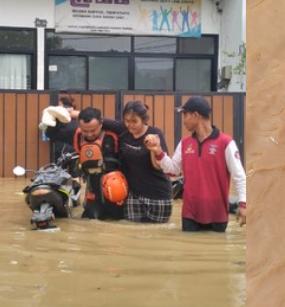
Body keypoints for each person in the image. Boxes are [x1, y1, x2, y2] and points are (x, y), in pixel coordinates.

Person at [145, 96, 246, 232]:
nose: (183, 120)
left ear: (196, 115)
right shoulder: (184, 143)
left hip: (217, 215)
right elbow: (173, 171)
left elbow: (239, 176)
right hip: (190, 214)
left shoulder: (226, 143)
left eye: (185, 115)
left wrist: (243, 205)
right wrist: (158, 152)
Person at [101, 101, 173, 223]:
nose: (130, 125)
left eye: (134, 121)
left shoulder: (155, 134)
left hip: (158, 196)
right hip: (134, 195)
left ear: (144, 119)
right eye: (127, 120)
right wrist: (68, 113)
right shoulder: (123, 130)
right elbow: (97, 119)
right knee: (132, 232)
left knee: (156, 234)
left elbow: (158, 167)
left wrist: (154, 149)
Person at [73, 107, 124, 220]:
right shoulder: (77, 136)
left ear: (101, 124)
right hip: (92, 190)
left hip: (115, 189)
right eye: (85, 131)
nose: (89, 134)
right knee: (89, 220)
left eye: (93, 130)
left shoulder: (113, 135)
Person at [44, 96, 79, 177]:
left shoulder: (60, 122)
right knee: (75, 175)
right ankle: (76, 189)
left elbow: (48, 134)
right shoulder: (77, 122)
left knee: (58, 174)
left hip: (62, 151)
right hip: (76, 151)